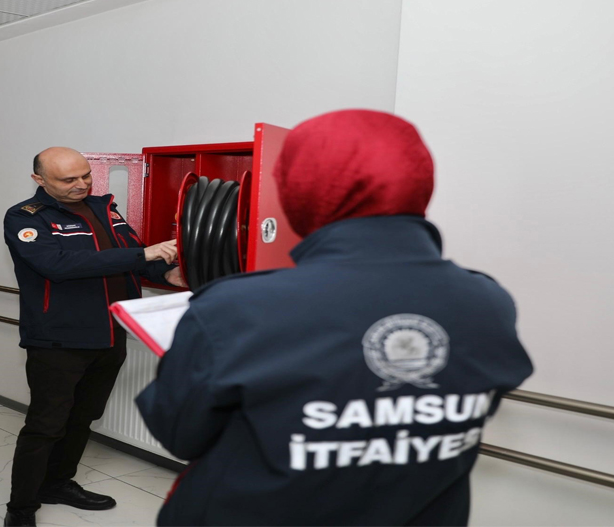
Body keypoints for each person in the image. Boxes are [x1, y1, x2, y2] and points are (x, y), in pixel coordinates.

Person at [136, 110, 535, 526]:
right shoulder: (487, 301)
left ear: (299, 193)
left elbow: (180, 433)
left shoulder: (239, 307)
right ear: (421, 184)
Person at [1, 147, 183, 527]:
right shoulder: (25, 217)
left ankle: (58, 483)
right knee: (46, 424)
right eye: (69, 179)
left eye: (85, 175)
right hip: (59, 340)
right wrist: (141, 256)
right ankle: (21, 507)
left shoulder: (105, 208)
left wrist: (163, 274)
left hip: (110, 333)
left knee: (84, 416)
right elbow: (58, 265)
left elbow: (129, 258)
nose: (81, 184)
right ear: (40, 181)